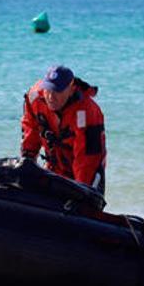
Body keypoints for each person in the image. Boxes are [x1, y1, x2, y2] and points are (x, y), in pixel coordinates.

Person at [21, 65, 106, 193]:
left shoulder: (87, 113)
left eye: (57, 91)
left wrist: (80, 192)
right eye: (48, 90)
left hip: (87, 173)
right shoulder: (34, 98)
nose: (50, 96)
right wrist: (27, 168)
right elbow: (30, 133)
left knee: (84, 198)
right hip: (53, 169)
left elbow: (87, 161)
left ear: (71, 90)